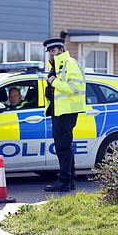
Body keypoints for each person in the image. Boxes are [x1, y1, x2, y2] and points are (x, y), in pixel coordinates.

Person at [42, 37, 86, 192]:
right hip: (59, 110)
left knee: (63, 147)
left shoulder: (70, 64)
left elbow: (73, 87)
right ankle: (70, 180)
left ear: (61, 49)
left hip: (66, 112)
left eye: (53, 51)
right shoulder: (57, 66)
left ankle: (64, 181)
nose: (51, 55)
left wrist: (54, 82)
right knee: (64, 146)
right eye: (49, 52)